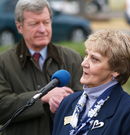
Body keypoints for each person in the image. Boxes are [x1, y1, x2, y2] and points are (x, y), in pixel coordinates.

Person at [0, 0, 83, 135]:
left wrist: (64, 102)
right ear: (19, 27)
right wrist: (42, 97)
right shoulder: (3, 63)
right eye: (34, 24)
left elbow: (88, 101)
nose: (42, 29)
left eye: (46, 22)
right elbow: (2, 106)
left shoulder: (72, 58)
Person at [52, 29, 130, 135]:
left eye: (94, 59)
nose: (84, 63)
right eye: (86, 55)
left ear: (116, 70)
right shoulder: (67, 103)